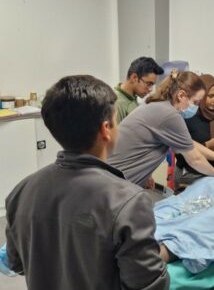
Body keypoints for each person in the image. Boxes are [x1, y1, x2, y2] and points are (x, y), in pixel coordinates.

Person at [5, 75, 169, 290]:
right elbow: (148, 284)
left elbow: (17, 264)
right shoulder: (127, 200)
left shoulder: (22, 190)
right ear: (106, 129)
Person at [108, 71, 214, 189]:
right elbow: (195, 159)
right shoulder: (170, 115)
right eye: (196, 102)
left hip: (110, 175)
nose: (196, 107)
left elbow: (187, 142)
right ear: (181, 95)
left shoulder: (157, 105)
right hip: (115, 183)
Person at [115, 56, 164, 124]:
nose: (150, 89)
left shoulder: (132, 98)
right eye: (148, 83)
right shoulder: (116, 103)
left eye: (152, 85)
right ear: (134, 78)